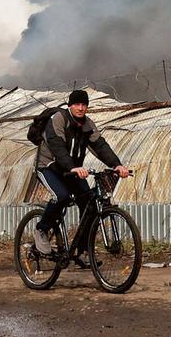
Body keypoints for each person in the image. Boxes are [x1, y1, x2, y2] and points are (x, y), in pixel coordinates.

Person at [34, 89, 130, 254]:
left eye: (84, 105)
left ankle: (82, 250)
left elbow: (100, 146)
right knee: (61, 196)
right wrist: (72, 167)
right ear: (70, 105)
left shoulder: (87, 124)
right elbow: (57, 146)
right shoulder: (58, 119)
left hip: (72, 170)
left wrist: (117, 165)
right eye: (77, 104)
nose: (80, 108)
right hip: (49, 166)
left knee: (89, 203)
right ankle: (41, 230)